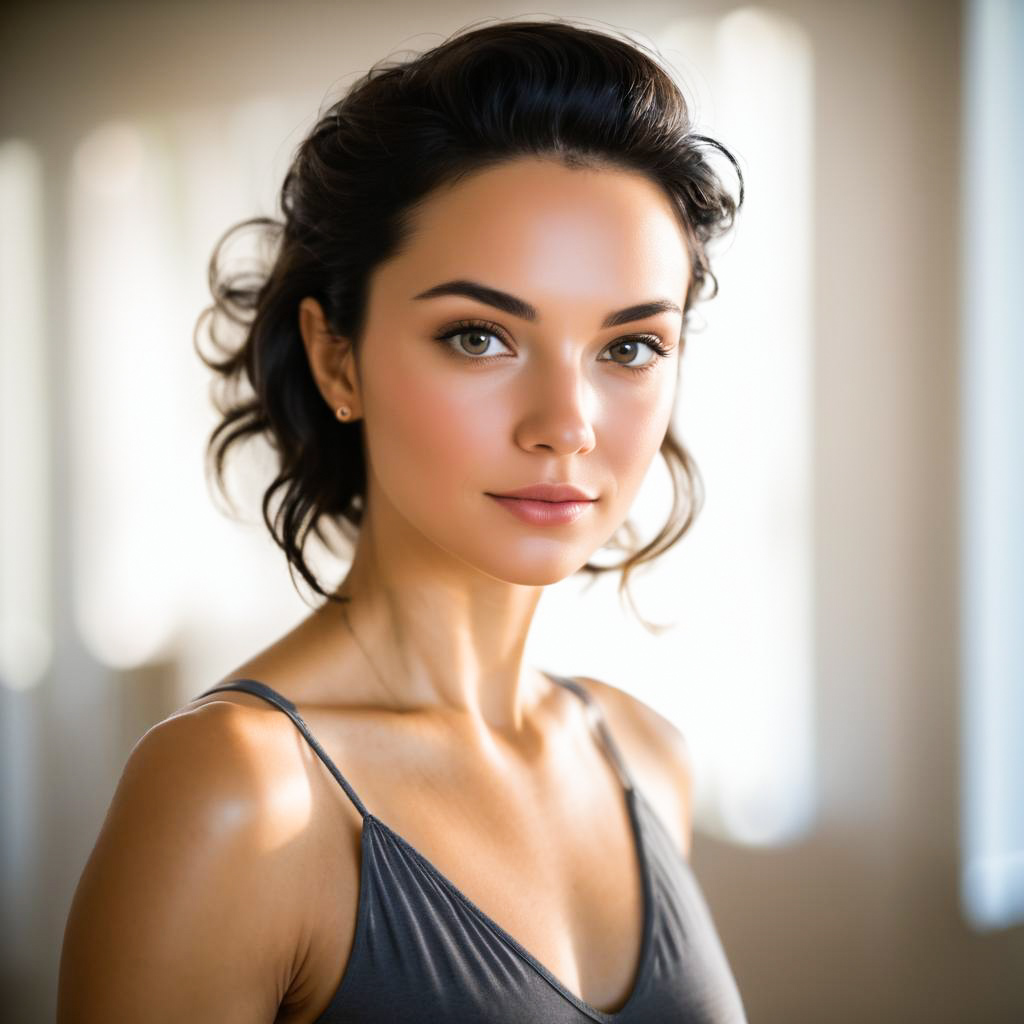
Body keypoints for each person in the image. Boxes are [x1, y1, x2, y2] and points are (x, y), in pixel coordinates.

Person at [58, 16, 747, 1023]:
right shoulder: (239, 795)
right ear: (338, 357)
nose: (566, 426)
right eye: (479, 336)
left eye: (630, 346)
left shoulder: (645, 756)